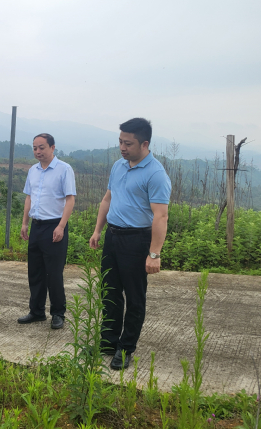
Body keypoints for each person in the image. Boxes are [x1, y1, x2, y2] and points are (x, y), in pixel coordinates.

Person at [89, 118, 171, 370]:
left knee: (135, 297)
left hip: (136, 240)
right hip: (113, 237)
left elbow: (161, 216)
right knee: (110, 291)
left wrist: (154, 254)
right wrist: (98, 230)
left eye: (128, 143)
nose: (122, 148)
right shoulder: (118, 166)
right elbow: (108, 199)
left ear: (144, 144)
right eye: (120, 142)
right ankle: (109, 341)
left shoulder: (156, 174)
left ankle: (125, 348)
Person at [18, 133, 76, 330]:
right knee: (35, 271)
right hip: (37, 226)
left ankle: (58, 313)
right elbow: (29, 197)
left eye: (41, 147)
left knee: (54, 273)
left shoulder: (64, 169)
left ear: (52, 147)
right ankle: (36, 311)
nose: (38, 151)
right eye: (35, 148)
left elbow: (70, 199)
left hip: (54, 226)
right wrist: (25, 223)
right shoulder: (32, 171)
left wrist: (61, 226)